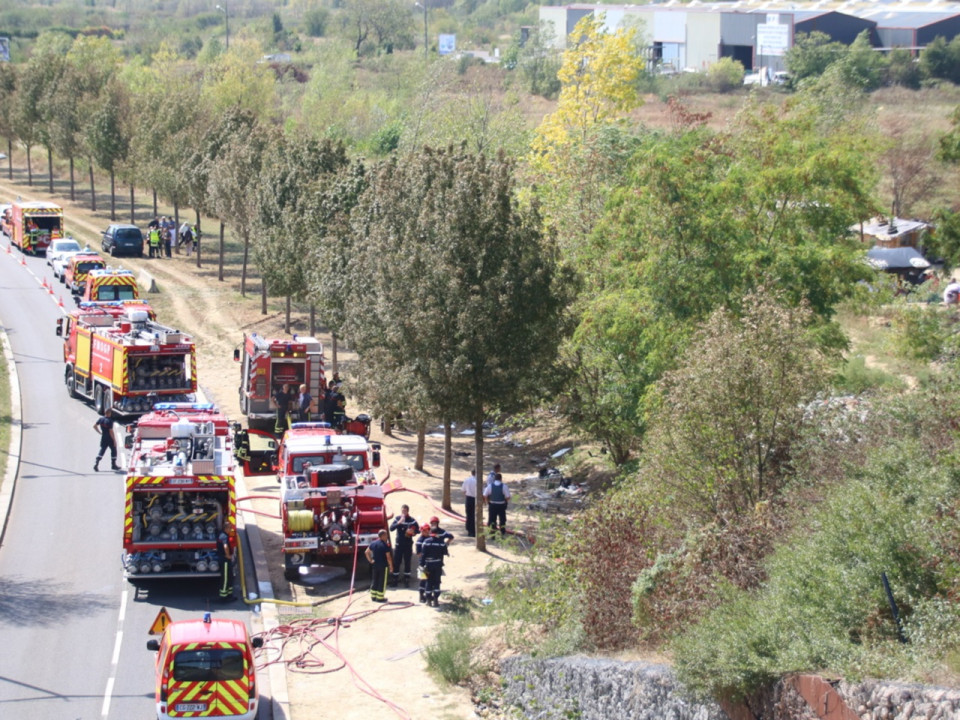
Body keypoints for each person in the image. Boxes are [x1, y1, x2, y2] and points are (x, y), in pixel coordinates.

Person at [419, 525, 450, 607]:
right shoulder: (441, 542)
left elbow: (423, 554)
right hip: (438, 565)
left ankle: (428, 600)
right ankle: (436, 600)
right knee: (437, 582)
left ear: (430, 532)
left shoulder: (426, 541)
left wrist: (421, 566)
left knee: (428, 581)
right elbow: (445, 552)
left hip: (427, 565)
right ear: (438, 533)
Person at [389, 504, 419, 587]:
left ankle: (406, 580)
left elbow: (418, 530)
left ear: (408, 511)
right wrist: (399, 523)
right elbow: (391, 528)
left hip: (408, 544)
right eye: (402, 511)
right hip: (399, 544)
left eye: (405, 511)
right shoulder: (397, 518)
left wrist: (413, 532)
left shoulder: (412, 520)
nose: (403, 512)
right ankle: (395, 579)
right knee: (397, 562)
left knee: (407, 562)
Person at [365, 529, 393, 603]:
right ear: (383, 536)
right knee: (382, 581)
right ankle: (380, 597)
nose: (387, 536)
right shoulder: (385, 545)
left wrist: (370, 560)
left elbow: (366, 552)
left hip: (375, 565)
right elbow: (388, 557)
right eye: (386, 535)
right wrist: (391, 566)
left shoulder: (373, 543)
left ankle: (373, 596)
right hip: (383, 566)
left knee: (375, 580)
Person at [484, 471, 511, 535]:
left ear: (495, 479)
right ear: (501, 479)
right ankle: (502, 532)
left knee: (492, 519)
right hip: (501, 505)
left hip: (492, 505)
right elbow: (508, 496)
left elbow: (485, 495)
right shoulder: (504, 486)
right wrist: (505, 501)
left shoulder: (490, 486)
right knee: (502, 520)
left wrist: (487, 501)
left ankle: (492, 533)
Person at [93, 407, 119, 472]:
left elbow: (94, 426)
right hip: (109, 438)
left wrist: (100, 432)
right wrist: (114, 440)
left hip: (103, 436)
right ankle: (113, 465)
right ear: (109, 413)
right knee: (113, 449)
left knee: (102, 449)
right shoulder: (110, 421)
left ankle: (97, 462)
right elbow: (111, 431)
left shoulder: (101, 419)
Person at [216, 530, 236, 602]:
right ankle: (223, 596)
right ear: (227, 528)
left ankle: (229, 594)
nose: (231, 530)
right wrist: (228, 555)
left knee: (230, 576)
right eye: (230, 528)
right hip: (225, 560)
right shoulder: (224, 536)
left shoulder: (221, 535)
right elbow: (225, 546)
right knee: (226, 578)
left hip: (225, 560)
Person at [414, 524, 431, 603]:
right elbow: (419, 553)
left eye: (428, 530)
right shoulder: (420, 541)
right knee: (423, 579)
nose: (428, 532)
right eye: (427, 530)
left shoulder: (429, 538)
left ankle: (428, 595)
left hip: (429, 562)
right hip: (423, 563)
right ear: (423, 531)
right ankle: (421, 596)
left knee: (429, 579)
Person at [462, 469, 478, 537]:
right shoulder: (478, 481)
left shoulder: (467, 480)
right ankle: (473, 531)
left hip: (468, 498)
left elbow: (463, 490)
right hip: (475, 499)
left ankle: (469, 530)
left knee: (468, 514)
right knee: (474, 515)